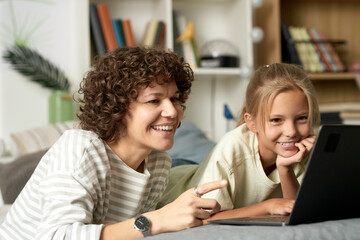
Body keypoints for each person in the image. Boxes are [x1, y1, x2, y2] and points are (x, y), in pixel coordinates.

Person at [0, 46, 227, 240]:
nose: (172, 111)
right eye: (154, 100)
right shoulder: (80, 148)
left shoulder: (158, 163)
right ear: (116, 107)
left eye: (175, 99)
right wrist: (157, 220)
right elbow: (57, 235)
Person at [157, 63, 321, 221]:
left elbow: (295, 210)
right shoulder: (232, 147)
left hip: (201, 166)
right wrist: (267, 207)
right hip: (176, 180)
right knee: (185, 134)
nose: (291, 132)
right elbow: (204, 219)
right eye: (276, 120)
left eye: (301, 118)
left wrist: (285, 168)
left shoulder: (303, 148)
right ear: (252, 123)